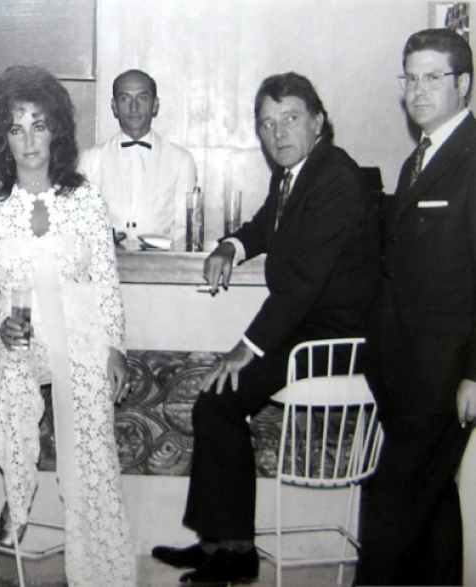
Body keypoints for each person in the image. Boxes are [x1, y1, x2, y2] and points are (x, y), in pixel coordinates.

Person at [150, 72, 380, 584]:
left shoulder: (335, 177)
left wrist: (244, 349)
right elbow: (263, 227)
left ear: (318, 121)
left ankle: (236, 552)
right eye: (267, 123)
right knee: (216, 402)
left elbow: (300, 285)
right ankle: (216, 543)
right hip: (309, 328)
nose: (278, 133)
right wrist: (231, 246)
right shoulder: (297, 172)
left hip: (335, 341)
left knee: (220, 398)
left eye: (291, 119)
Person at [0, 65, 135, 587]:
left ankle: (100, 561)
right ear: (2, 138)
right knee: (14, 383)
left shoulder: (84, 200)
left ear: (56, 130)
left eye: (39, 125)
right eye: (17, 128)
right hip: (20, 337)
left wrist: (115, 347)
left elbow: (106, 281)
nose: (29, 139)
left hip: (80, 335)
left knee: (89, 421)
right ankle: (17, 493)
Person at [356, 28, 476, 586]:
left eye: (433, 77)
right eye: (410, 77)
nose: (418, 90)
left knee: (390, 497)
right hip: (403, 366)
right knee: (431, 506)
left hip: (445, 371)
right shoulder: (418, 160)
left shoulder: (472, 160)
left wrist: (475, 373)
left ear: (464, 85)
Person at [78, 69, 197, 250]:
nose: (134, 107)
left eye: (142, 98)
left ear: (155, 105)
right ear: (114, 107)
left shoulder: (181, 160)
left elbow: (184, 229)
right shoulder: (90, 159)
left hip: (161, 268)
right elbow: (82, 222)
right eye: (125, 98)